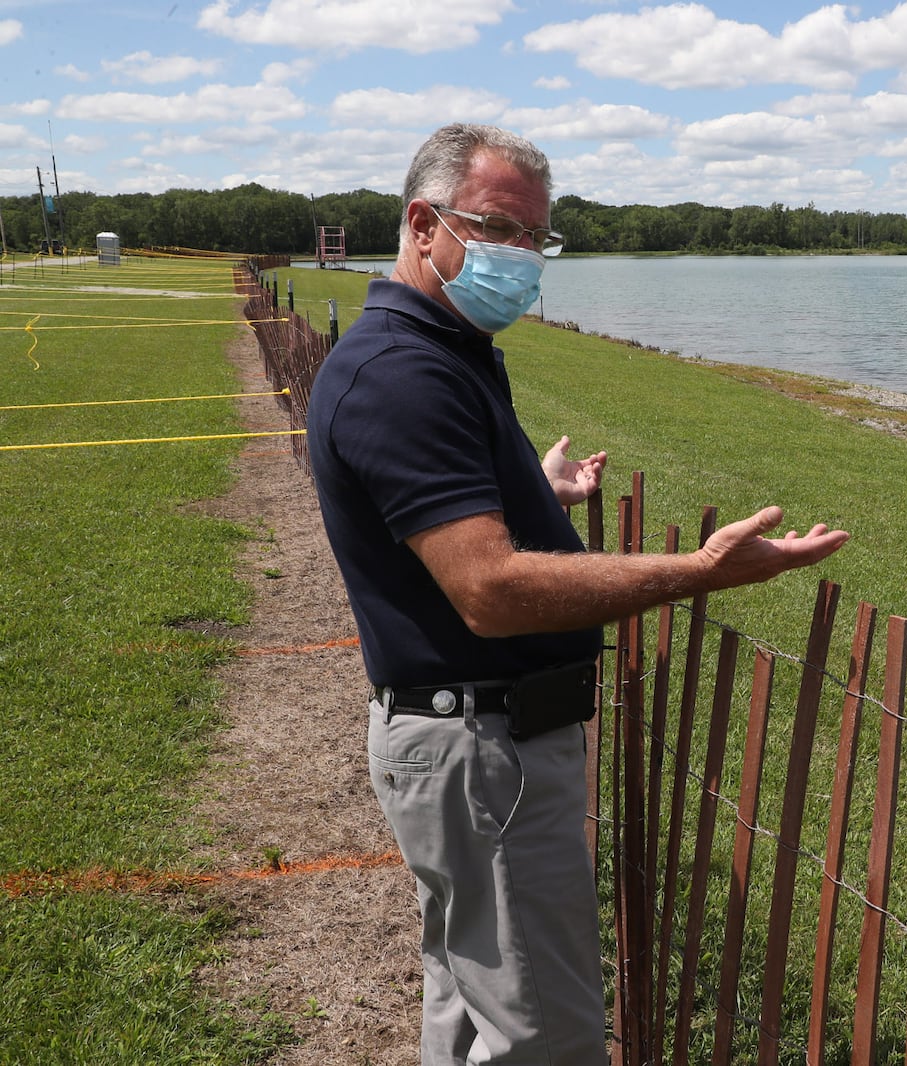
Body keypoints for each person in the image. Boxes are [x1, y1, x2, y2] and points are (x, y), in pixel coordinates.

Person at [305, 123, 849, 1065]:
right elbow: (491, 591)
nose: (522, 258)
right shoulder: (404, 372)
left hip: (473, 743)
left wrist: (531, 489)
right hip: (484, 753)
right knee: (544, 1037)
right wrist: (699, 574)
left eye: (537, 240)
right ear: (423, 224)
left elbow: (442, 512)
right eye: (500, 230)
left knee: (471, 1004)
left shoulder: (446, 345)